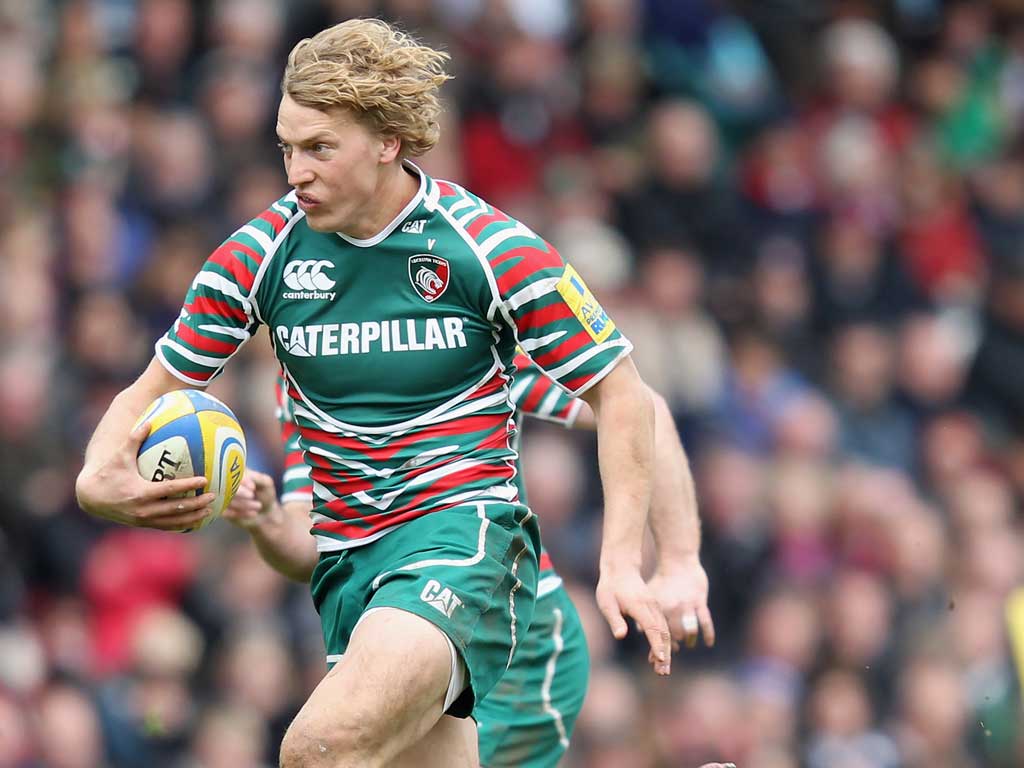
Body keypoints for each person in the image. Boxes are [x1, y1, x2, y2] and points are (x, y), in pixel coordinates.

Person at [75, 18, 670, 768]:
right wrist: (98, 480)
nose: (297, 170)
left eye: (320, 148)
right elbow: (151, 389)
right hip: (349, 573)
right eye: (287, 147)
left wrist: (625, 560)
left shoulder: (485, 247)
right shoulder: (259, 255)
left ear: (388, 141)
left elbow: (621, 388)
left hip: (462, 545)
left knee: (317, 750)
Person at [224, 354, 715, 767]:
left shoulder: (453, 337)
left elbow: (642, 406)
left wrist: (678, 563)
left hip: (516, 645)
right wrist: (264, 521)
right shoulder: (303, 383)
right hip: (412, 630)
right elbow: (311, 548)